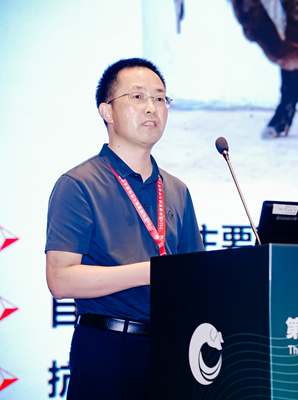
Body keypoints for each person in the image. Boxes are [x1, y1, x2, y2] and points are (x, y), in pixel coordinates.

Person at [45, 58, 204, 399]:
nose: (152, 107)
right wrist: (151, 272)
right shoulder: (79, 184)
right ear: (107, 111)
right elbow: (60, 280)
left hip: (174, 349)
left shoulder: (176, 189)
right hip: (108, 348)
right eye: (137, 97)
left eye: (160, 98)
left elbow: (194, 275)